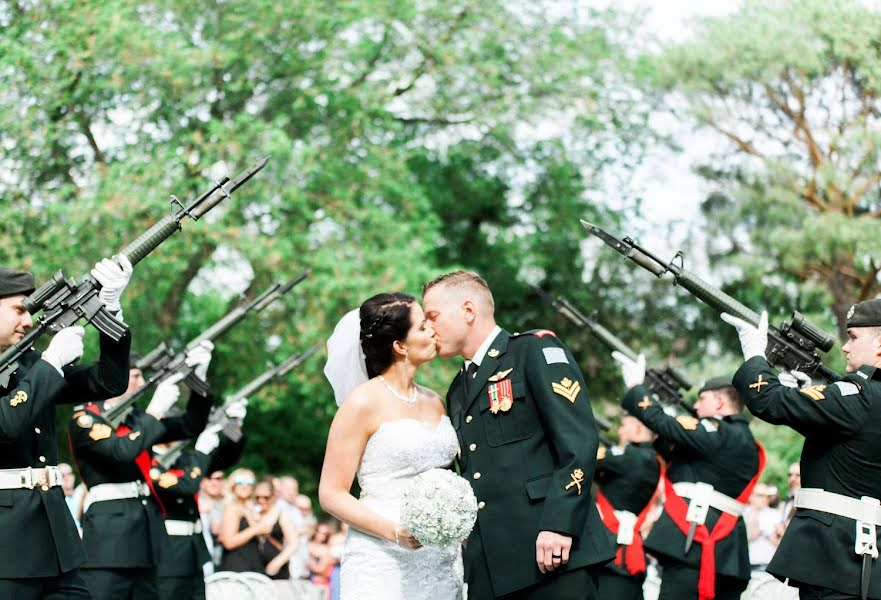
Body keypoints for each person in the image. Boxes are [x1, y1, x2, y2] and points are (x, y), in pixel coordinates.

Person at [422, 271, 615, 599]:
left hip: (552, 550)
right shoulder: (457, 389)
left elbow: (578, 441)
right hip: (493, 566)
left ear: (468, 311)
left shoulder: (532, 351)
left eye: (433, 317)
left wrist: (559, 524)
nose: (428, 328)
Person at [723, 301, 881, 599]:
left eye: (854, 337)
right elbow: (848, 446)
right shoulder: (865, 400)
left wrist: (755, 356)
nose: (846, 348)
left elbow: (767, 401)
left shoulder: (858, 396)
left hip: (835, 557)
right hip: (856, 560)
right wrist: (807, 396)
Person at [0, 259, 133, 599]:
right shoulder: (40, 366)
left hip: (55, 538)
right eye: (18, 310)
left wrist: (112, 312)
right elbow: (5, 425)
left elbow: (107, 382)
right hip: (7, 547)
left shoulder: (27, 364)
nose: (28, 321)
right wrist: (51, 363)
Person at [318, 293, 461, 600]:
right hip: (382, 559)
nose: (434, 331)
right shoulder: (361, 403)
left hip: (441, 560)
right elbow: (331, 494)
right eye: (423, 327)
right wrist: (395, 532)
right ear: (400, 346)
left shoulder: (435, 401)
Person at [612, 352, 763, 600]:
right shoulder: (738, 439)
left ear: (719, 403)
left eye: (701, 399)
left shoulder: (716, 430)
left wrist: (636, 389)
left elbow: (666, 424)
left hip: (694, 545)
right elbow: (677, 456)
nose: (695, 406)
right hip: (725, 552)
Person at [71, 341, 214, 600]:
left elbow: (190, 425)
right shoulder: (86, 419)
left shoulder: (136, 419)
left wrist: (197, 381)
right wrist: (155, 411)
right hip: (110, 541)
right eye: (135, 376)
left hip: (147, 536)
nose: (141, 382)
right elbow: (122, 451)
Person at [155, 419, 246, 599]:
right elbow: (185, 486)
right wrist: (201, 453)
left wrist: (233, 426)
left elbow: (226, 458)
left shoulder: (186, 459)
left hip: (193, 551)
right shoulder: (151, 460)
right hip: (168, 552)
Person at [594, 414, 662, 600]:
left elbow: (590, 461)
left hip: (611, 542)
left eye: (624, 426)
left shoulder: (632, 456)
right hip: (622, 542)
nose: (620, 431)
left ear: (637, 429)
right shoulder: (652, 460)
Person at [218, 467, 272, 573]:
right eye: (240, 481)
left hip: (252, 565)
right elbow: (229, 542)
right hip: (238, 568)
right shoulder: (232, 508)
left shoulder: (248, 508)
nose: (245, 486)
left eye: (249, 482)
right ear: (233, 485)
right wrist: (255, 529)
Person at [253, 478, 299, 592]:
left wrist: (277, 562)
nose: (261, 500)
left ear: (273, 496)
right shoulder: (253, 513)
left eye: (265, 497)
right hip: (256, 567)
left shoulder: (282, 514)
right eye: (257, 497)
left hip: (278, 570)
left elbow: (294, 543)